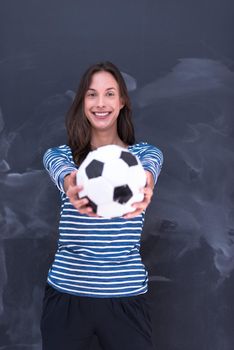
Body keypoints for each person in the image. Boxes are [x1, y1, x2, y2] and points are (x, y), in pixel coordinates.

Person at [40, 61, 163, 350]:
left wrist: (145, 186)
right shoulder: (62, 155)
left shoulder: (143, 154)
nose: (101, 103)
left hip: (126, 299)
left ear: (122, 101)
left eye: (110, 93)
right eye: (92, 94)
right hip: (67, 298)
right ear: (83, 102)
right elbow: (64, 174)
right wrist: (73, 185)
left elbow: (149, 170)